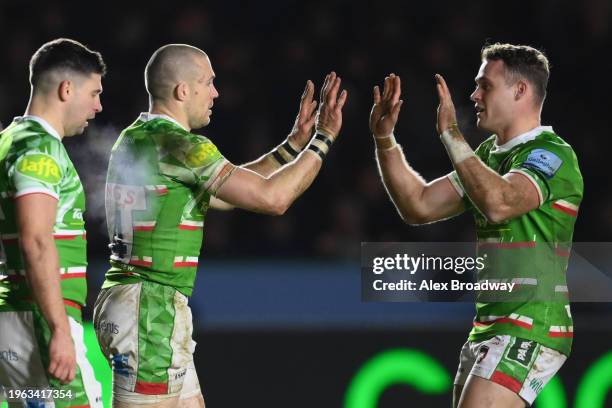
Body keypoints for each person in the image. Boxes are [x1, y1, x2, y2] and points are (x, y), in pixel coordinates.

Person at [93, 44, 347, 408]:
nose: (216, 93)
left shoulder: (136, 138)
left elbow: (229, 193)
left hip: (140, 301)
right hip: (150, 312)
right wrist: (324, 138)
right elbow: (273, 198)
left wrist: (292, 147)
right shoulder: (182, 144)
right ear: (184, 91)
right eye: (209, 83)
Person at [370, 43, 582, 407]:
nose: (474, 95)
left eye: (485, 85)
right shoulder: (488, 157)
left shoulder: (552, 155)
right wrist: (384, 139)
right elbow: (418, 205)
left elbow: (500, 203)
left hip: (531, 323)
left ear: (520, 91)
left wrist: (452, 135)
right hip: (490, 325)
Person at [0, 38, 105, 407]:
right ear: (66, 89)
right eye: (94, 93)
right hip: (40, 321)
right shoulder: (38, 148)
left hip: (15, 321)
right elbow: (36, 241)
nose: (98, 105)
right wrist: (60, 329)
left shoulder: (8, 140)